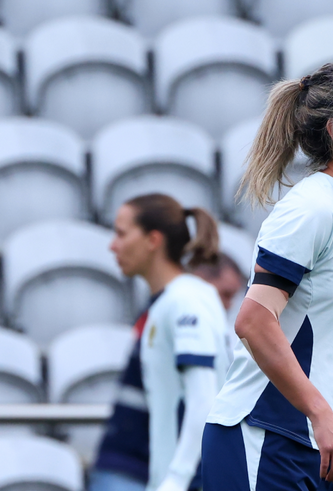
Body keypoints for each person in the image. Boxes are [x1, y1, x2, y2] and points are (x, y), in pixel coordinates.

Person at [201, 56, 333, 490]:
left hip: (313, 447)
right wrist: (321, 413)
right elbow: (255, 321)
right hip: (263, 436)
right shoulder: (310, 207)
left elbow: (307, 311)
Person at [92, 194, 237, 491]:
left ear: (152, 240)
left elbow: (204, 400)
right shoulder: (176, 300)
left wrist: (176, 480)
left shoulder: (185, 301)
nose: (112, 245)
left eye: (121, 233)